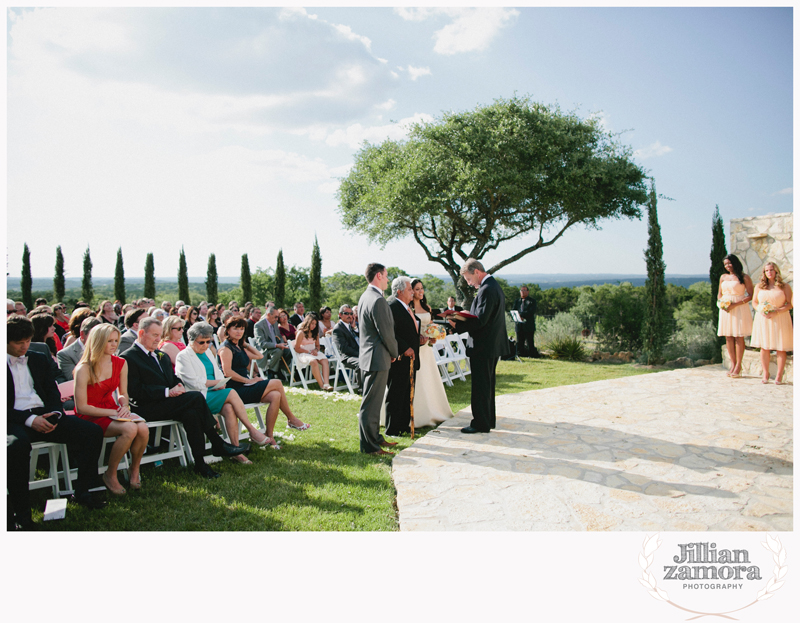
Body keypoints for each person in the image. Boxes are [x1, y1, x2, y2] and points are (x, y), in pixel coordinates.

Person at [8, 315, 107, 529]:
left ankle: (82, 491)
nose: (25, 346)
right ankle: (21, 513)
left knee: (91, 431)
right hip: (13, 419)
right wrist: (29, 419)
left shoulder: (38, 357)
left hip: (45, 414)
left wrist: (55, 414)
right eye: (18, 343)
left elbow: (52, 391)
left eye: (27, 341)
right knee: (17, 446)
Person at [121, 316, 248, 479]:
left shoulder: (161, 355)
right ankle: (217, 443)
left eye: (160, 335)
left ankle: (200, 464)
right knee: (194, 397)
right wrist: (167, 392)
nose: (158, 339)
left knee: (192, 414)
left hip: (168, 404)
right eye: (154, 335)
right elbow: (136, 391)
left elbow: (173, 379)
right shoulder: (129, 357)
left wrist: (178, 385)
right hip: (147, 408)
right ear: (140, 333)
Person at [176, 323, 275, 458]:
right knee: (231, 392)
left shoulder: (207, 353)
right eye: (201, 342)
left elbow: (218, 372)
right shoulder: (183, 356)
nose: (205, 345)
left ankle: (235, 450)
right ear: (191, 341)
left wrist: (220, 383)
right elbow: (193, 382)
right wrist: (218, 383)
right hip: (198, 396)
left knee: (229, 408)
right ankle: (251, 430)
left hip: (214, 391)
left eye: (208, 342)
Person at [74, 324, 149, 495]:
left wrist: (124, 405)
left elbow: (123, 393)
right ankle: (111, 474)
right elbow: (81, 407)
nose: (114, 345)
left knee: (143, 428)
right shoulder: (83, 368)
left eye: (116, 340)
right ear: (98, 342)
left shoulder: (121, 362)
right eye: (109, 341)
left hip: (112, 409)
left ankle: (134, 470)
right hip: (90, 414)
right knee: (130, 428)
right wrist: (114, 412)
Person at [218, 317, 310, 438]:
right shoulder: (226, 348)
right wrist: (249, 380)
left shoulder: (239, 347)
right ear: (228, 330)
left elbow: (259, 355)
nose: (239, 332)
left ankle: (269, 435)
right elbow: (227, 372)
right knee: (277, 382)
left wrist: (245, 344)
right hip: (235, 390)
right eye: (235, 329)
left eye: (241, 329)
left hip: (245, 386)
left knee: (276, 395)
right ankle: (291, 419)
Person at [448, 258, 510, 433]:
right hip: (491, 345)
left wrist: (457, 324)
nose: (469, 283)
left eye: (468, 279)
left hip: (484, 346)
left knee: (481, 386)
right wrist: (469, 314)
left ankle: (480, 423)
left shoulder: (486, 289)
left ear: (476, 272)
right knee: (487, 385)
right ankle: (488, 420)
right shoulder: (493, 286)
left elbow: (481, 321)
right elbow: (483, 315)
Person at [357, 263, 399, 455]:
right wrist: (394, 352)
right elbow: (386, 333)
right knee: (371, 404)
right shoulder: (378, 300)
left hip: (370, 356)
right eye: (386, 275)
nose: (388, 279)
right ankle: (369, 446)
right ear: (379, 276)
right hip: (377, 357)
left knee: (373, 402)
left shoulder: (366, 296)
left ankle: (375, 438)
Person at [409, 279, 453, 426]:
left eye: (422, 288)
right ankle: (419, 414)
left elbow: (430, 326)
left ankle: (434, 411)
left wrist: (433, 338)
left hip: (427, 348)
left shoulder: (426, 307)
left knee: (429, 379)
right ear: (411, 291)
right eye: (417, 289)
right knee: (418, 380)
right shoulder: (409, 308)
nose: (420, 291)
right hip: (415, 348)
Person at [384, 277, 423, 436]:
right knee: (396, 393)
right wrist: (404, 347)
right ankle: (392, 428)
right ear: (399, 291)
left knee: (408, 392)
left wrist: (418, 339)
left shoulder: (407, 307)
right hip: (399, 358)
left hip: (411, 358)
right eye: (409, 289)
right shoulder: (392, 306)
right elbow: (390, 332)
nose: (412, 292)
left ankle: (403, 425)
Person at [750, 261, 793, 384]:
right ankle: (766, 373)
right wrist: (760, 310)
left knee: (781, 347)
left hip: (780, 318)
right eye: (767, 270)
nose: (769, 272)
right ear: (764, 273)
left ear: (776, 271)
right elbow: (754, 302)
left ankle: (779, 375)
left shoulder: (784, 286)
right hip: (763, 318)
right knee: (764, 347)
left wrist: (777, 311)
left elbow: (790, 304)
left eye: (771, 270)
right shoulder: (759, 286)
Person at [717, 254, 754, 377]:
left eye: (729, 263)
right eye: (725, 264)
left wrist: (735, 304)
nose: (727, 266)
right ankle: (732, 364)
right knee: (728, 336)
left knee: (739, 336)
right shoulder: (723, 277)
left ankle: (739, 366)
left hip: (739, 307)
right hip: (726, 309)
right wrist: (721, 304)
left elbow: (750, 295)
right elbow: (719, 294)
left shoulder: (744, 277)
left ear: (735, 262)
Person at [292, 315, 333, 391]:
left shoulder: (315, 333)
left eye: (315, 324)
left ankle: (327, 384)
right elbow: (297, 348)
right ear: (307, 323)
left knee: (325, 360)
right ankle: (321, 385)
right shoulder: (301, 333)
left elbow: (317, 345)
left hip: (313, 352)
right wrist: (308, 351)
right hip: (303, 353)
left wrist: (316, 350)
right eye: (312, 323)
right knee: (313, 361)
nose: (314, 326)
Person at [57, 316, 102, 383]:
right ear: (82, 334)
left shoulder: (105, 347)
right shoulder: (65, 354)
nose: (98, 339)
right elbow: (74, 379)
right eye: (94, 335)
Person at [254, 307, 291, 380]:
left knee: (289, 351)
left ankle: (276, 369)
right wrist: (277, 345)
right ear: (268, 315)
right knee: (278, 351)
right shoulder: (258, 325)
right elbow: (262, 343)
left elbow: (279, 336)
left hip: (276, 347)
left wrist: (282, 344)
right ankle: (271, 371)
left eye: (277, 317)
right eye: (275, 317)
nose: (277, 319)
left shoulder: (274, 323)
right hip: (265, 350)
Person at [331, 304, 361, 391]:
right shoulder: (338, 329)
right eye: (346, 313)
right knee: (361, 364)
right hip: (347, 357)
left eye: (351, 313)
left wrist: (355, 328)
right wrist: (360, 354)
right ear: (340, 315)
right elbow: (344, 349)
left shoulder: (352, 326)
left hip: (356, 354)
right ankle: (362, 390)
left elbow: (362, 338)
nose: (349, 316)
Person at [512, 285, 538, 357]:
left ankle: (532, 355)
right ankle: (521, 354)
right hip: (519, 325)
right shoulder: (517, 301)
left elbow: (531, 311)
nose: (522, 292)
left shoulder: (532, 301)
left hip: (528, 325)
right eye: (521, 290)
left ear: (528, 292)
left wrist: (522, 315)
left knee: (529, 341)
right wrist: (517, 316)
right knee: (519, 341)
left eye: (524, 290)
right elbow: (514, 310)